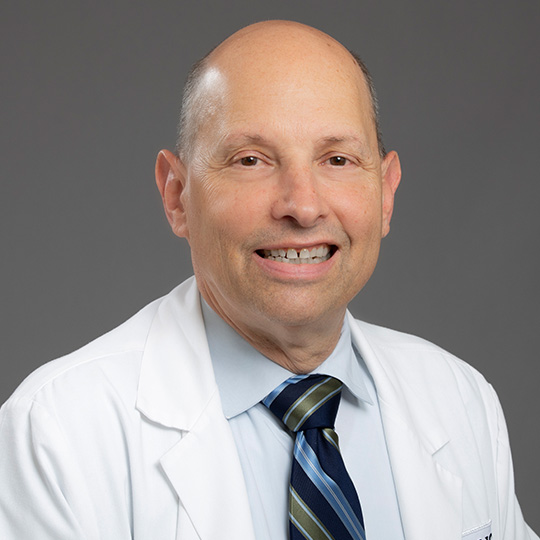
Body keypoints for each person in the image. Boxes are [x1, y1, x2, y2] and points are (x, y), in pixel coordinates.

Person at [0, 19, 537, 540]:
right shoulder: (56, 434)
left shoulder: (462, 399)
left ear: (387, 191)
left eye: (338, 159)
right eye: (251, 159)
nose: (302, 206)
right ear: (176, 195)